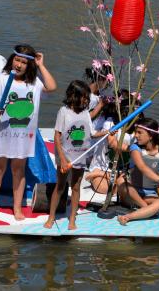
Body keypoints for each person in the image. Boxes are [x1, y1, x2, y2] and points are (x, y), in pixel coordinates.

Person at [0, 44, 57, 220]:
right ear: (12, 60)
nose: (19, 65)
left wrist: (41, 66)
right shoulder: (1, 79)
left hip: (23, 136)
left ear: (29, 65)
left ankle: (17, 208)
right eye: (17, 60)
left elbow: (52, 87)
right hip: (2, 132)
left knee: (18, 170)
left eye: (24, 62)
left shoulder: (35, 83)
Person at [44, 80, 105, 230]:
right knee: (60, 186)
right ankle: (51, 217)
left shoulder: (85, 113)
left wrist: (107, 132)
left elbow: (93, 133)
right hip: (65, 156)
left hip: (80, 156)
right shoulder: (63, 111)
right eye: (83, 97)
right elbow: (57, 136)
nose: (85, 100)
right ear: (73, 95)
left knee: (76, 187)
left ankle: (72, 219)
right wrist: (63, 160)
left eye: (87, 97)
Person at [116, 118, 159, 225]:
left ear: (151, 135)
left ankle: (128, 217)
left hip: (151, 195)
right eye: (135, 132)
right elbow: (142, 167)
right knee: (120, 182)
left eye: (139, 132)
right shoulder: (135, 148)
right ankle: (147, 210)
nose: (136, 135)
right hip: (131, 194)